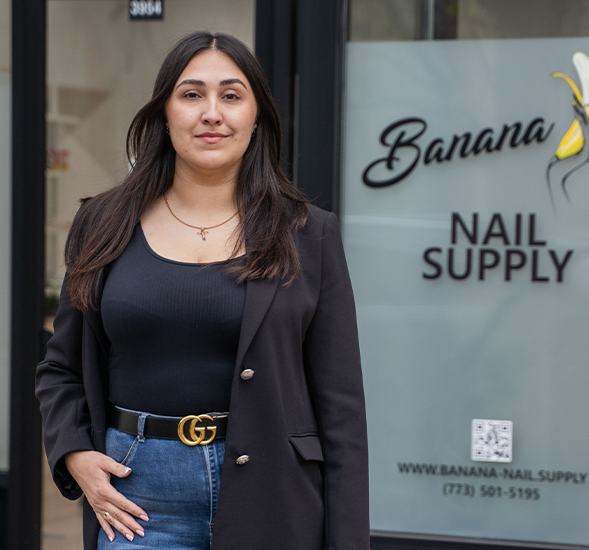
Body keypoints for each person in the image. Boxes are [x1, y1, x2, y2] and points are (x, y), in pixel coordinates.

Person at [35, 31, 369, 550]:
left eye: (231, 96)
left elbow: (341, 407)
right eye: (191, 95)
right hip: (137, 501)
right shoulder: (101, 223)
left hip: (273, 496)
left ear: (256, 116)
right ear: (164, 114)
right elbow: (60, 368)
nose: (212, 113)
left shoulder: (308, 232)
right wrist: (74, 452)